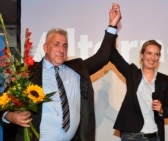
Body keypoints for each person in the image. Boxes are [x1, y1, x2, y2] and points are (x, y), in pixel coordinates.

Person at [1, 3, 121, 141]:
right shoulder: (28, 73)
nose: (61, 49)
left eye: (65, 45)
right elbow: (3, 103)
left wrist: (112, 25)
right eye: (56, 44)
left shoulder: (77, 69)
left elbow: (103, 56)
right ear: (46, 47)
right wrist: (10, 116)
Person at [110, 40, 168, 141]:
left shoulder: (165, 80)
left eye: (156, 54)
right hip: (131, 136)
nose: (152, 58)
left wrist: (162, 110)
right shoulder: (132, 73)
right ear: (142, 55)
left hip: (155, 136)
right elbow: (114, 56)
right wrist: (112, 29)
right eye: (149, 53)